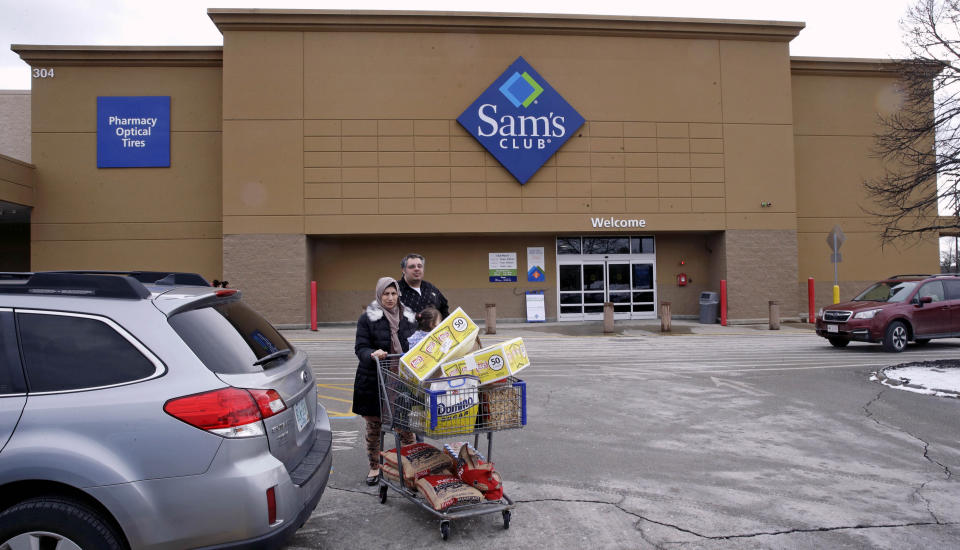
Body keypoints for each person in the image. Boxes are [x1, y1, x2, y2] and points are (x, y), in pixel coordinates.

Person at [352, 277, 417, 486]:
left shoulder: (408, 317)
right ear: (379, 295)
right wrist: (372, 353)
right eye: (385, 294)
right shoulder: (368, 318)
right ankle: (374, 467)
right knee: (374, 428)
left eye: (393, 293)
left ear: (399, 294)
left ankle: (413, 467)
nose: (390, 298)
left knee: (406, 427)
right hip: (374, 380)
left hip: (401, 380)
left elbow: (418, 342)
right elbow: (360, 348)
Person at [398, 253, 450, 319]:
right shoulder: (395, 290)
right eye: (412, 267)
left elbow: (444, 309)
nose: (417, 269)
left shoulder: (431, 288)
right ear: (403, 270)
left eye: (420, 266)